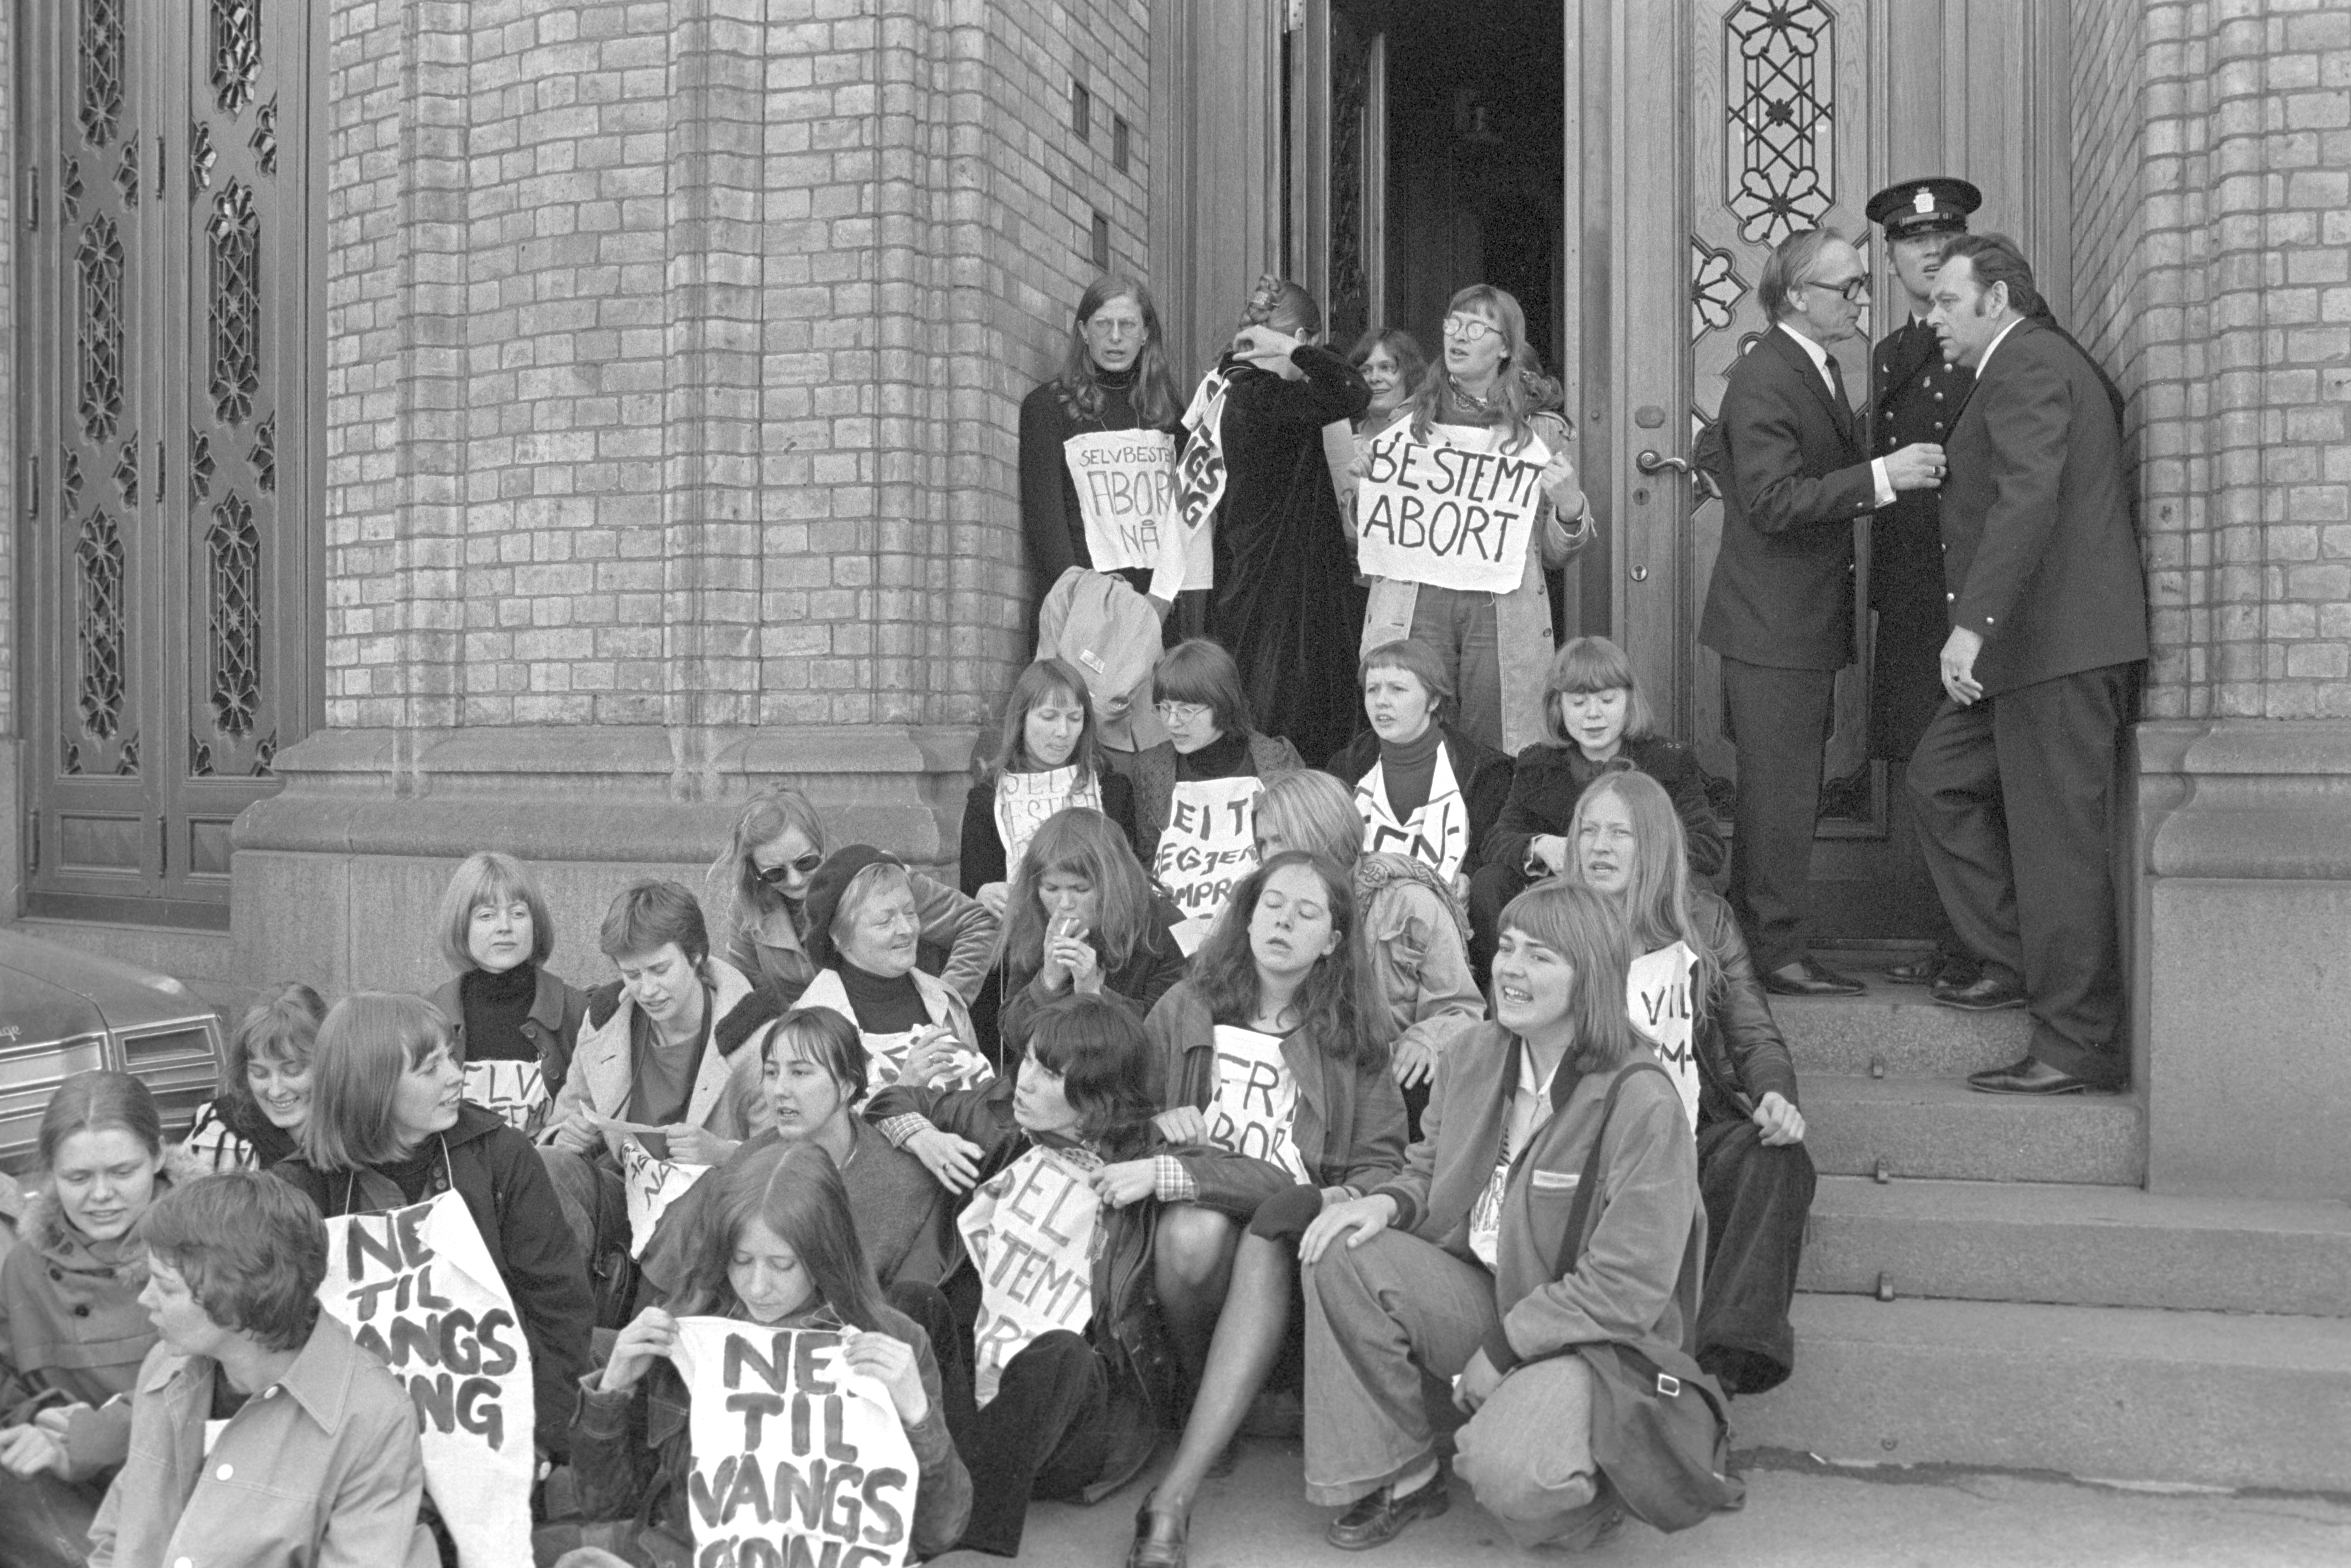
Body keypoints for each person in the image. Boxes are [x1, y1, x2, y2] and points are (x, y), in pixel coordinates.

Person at [1298, 881, 1706, 1551]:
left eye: (1540, 956)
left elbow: (1627, 1288)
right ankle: (1404, 1473)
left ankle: (1601, 1490)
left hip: (1590, 1335)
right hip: (1486, 1286)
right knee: (1342, 1247)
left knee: (1515, 1478)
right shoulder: (1473, 1053)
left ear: (1591, 977)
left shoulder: (1641, 1099)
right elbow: (1428, 1167)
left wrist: (1503, 1349)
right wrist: (1386, 1200)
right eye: (1508, 947)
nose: (1511, 968)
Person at [866, 995, 1259, 1559]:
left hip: (1072, 1425)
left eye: (1048, 1073)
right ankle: (940, 1488)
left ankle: (967, 1532)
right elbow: (891, 1098)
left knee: (1058, 1356)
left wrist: (1159, 1172)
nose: (1024, 1080)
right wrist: (921, 1135)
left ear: (1098, 1093)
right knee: (912, 1302)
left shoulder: (1144, 1147)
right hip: (973, 1395)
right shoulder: (1002, 1118)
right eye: (1026, 1060)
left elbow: (1267, 1185)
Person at [1128, 848, 1412, 1567]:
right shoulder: (1185, 1005)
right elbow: (1123, 1106)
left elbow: (1384, 1160)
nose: (1283, 921)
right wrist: (1158, 1125)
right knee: (1191, 1235)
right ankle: (1206, 1399)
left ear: (1334, 941)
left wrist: (1347, 1195)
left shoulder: (1353, 1035)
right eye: (1272, 904)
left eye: (1307, 911)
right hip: (1198, 1222)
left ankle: (1174, 1494)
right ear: (1248, 915)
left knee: (1266, 1217)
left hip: (1294, 1229)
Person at [1914, 234, 2148, 1094]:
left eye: (1946, 300)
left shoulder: (2028, 364)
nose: (1931, 315)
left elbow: (2030, 497)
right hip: (2032, 649)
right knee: (1939, 779)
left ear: (1997, 299)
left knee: (2060, 847)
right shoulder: (2031, 363)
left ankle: (2074, 1045)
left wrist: (1971, 626)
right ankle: (2020, 962)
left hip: (2055, 647)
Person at [1697, 225, 1947, 999]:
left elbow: (1717, 454)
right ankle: (1773, 956)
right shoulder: (1772, 373)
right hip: (1773, 626)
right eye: (1849, 287)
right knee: (1780, 792)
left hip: (1787, 620)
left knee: (1786, 786)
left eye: (1865, 285)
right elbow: (1773, 498)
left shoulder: (1810, 367)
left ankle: (1761, 945)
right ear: (1798, 295)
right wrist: (1882, 474)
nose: (1864, 299)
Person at [569, 1140, 971, 1564]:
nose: (757, 1286)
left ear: (825, 1255)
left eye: (781, 1265)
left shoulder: (892, 1341)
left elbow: (940, 1531)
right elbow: (606, 1504)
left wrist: (917, 1412)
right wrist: (613, 1388)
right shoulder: (686, 1334)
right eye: (741, 1260)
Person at [1564, 770, 1815, 1393]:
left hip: (1686, 1133)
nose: (1598, 846)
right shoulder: (1551, 922)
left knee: (1777, 1160)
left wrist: (1775, 1096)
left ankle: (1720, 1366)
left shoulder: (1704, 920)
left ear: (1652, 843)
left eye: (1618, 833)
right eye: (1588, 831)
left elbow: (1753, 1033)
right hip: (1582, 1146)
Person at [274, 992, 594, 1462]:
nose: (455, 1075)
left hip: (496, 1424)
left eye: (450, 1055)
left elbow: (560, 1309)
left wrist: (539, 1436)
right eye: (429, 1068)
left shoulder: (501, 1156)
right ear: (372, 1086)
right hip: (354, 1442)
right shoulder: (300, 1187)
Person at [88, 1172, 435, 1568]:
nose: (145, 1299)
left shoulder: (373, 1417)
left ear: (238, 1300)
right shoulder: (165, 1367)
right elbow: (120, 1532)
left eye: (166, 1287)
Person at [1358, 285, 1599, 756]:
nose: (1458, 337)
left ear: (1506, 347)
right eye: (1452, 324)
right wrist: (1365, 490)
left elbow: (1554, 553)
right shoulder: (1405, 422)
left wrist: (1570, 506)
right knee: (1418, 734)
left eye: (1476, 327)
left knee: (1497, 740)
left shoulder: (1542, 431)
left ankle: (1492, 830)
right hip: (1417, 599)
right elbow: (1373, 536)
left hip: (1498, 606)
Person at [1865, 177, 1986, 991]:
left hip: (1975, 586)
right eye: (1913, 241)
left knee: (1973, 771)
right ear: (1892, 259)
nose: (1930, 249)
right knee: (1918, 758)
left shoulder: (1991, 337)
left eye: (1945, 234)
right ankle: (1944, 936)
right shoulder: (1889, 356)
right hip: (1913, 588)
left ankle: (1981, 945)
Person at [538, 881, 767, 1291]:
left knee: (686, 1207)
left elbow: (786, 1153)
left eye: (660, 970)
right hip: (624, 1191)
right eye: (632, 975)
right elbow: (567, 1113)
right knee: (547, 1170)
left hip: (708, 1202)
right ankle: (564, 1320)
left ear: (696, 957)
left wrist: (719, 1154)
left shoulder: (753, 1030)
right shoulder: (605, 1018)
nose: (647, 990)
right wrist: (565, 1135)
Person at [639, 1008, 956, 1303]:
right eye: (772, 1073)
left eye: (801, 1073)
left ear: (848, 1085)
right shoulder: (747, 1162)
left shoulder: (902, 1180)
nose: (780, 1090)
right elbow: (704, 1284)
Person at [1185, 275, 1373, 763]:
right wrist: (1289, 349)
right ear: (1303, 339)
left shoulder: (1223, 393)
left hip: (1238, 587)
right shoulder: (1269, 399)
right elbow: (1354, 391)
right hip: (1286, 605)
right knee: (1284, 742)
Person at [1469, 636, 1723, 977]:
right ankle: (1504, 995)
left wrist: (1634, 852)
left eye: (1607, 700)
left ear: (1629, 702)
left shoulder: (1668, 762)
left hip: (1640, 899)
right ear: (1558, 707)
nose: (1593, 715)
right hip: (1562, 898)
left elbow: (1707, 848)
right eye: (1578, 703)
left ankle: (1681, 1002)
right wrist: (1541, 846)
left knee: (1697, 890)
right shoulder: (1537, 764)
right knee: (1489, 882)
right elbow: (1496, 841)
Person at [1253, 768, 1482, 1135]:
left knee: (1416, 1079)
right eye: (1262, 843)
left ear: (1319, 832)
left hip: (1382, 1075)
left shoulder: (1410, 904)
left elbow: (1464, 1010)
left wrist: (1426, 1040)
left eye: (1278, 841)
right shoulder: (1264, 903)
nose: (1267, 857)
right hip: (1293, 1072)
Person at [0, 1073, 168, 1568]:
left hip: (191, 1479)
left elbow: (223, 1383)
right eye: (77, 1178)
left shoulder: (214, 1243)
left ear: (159, 1157)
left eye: (122, 1171)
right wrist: (35, 1423)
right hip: (70, 1492)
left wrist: (90, 1436)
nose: (101, 1194)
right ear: (48, 1173)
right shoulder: (24, 1264)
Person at [713, 787, 999, 1006]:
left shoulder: (876, 876)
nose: (795, 880)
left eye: (806, 863)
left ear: (821, 842)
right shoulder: (748, 903)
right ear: (755, 870)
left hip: (898, 1033)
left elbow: (977, 923)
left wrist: (945, 1002)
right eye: (775, 873)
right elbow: (745, 989)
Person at [1128, 638, 1306, 948]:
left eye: (1186, 711)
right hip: (1173, 938)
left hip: (1255, 932)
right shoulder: (1151, 768)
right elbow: (1148, 857)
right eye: (1165, 709)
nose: (1172, 722)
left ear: (1222, 704)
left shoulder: (1277, 761)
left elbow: (1301, 854)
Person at [1021, 276, 1186, 608]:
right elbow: (1046, 528)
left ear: (1145, 334)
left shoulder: (1168, 413)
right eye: (1102, 324)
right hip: (1081, 610)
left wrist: (1161, 601)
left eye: (1127, 324)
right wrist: (1088, 598)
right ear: (1083, 332)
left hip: (1156, 613)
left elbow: (1185, 523)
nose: (1115, 337)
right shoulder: (1049, 407)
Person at [792, 847, 993, 1096]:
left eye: (910, 913)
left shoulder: (944, 1001)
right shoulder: (810, 1026)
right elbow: (821, 1126)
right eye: (884, 921)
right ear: (838, 936)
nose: (907, 929)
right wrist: (904, 1088)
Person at [995, 806, 1189, 1062]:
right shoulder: (1034, 920)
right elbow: (1013, 1037)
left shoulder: (1165, 927)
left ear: (1114, 882)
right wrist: (1048, 983)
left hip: (1132, 1093)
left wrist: (1095, 995)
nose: (1065, 903)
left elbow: (1162, 1040)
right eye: (1051, 888)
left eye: (1081, 889)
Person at [1322, 637, 1515, 888]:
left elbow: (1492, 855)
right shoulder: (1344, 768)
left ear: (1433, 700)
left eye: (1397, 689)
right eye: (1373, 690)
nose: (1381, 701)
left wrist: (1469, 877)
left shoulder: (1487, 773)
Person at [426, 850, 590, 1134]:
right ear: (461, 927)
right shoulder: (429, 1017)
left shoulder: (575, 1011)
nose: (505, 927)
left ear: (535, 924)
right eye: (487, 916)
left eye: (518, 913)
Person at [961, 656, 1141, 913]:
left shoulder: (1112, 790)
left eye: (1075, 718)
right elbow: (970, 891)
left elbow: (1130, 881)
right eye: (1049, 717)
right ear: (1021, 720)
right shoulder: (987, 800)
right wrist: (982, 893)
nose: (1063, 732)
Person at [174, 982, 328, 1175]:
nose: (275, 1091)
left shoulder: (356, 1132)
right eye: (260, 1073)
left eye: (292, 1071)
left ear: (327, 1063)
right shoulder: (218, 1140)